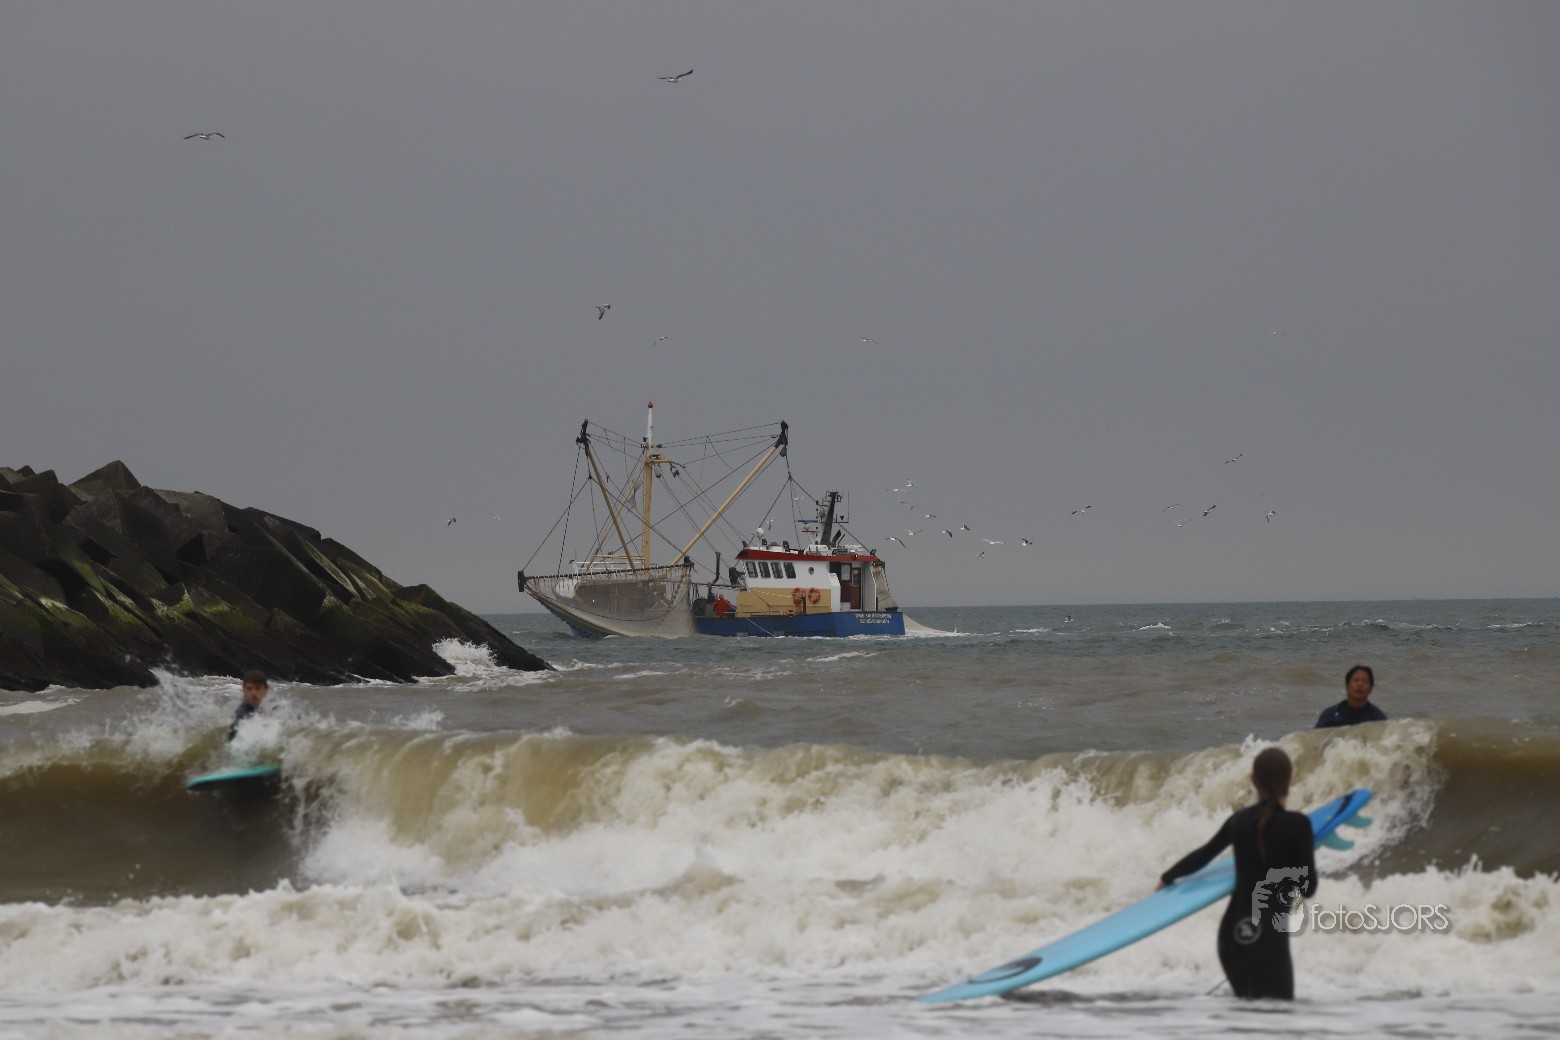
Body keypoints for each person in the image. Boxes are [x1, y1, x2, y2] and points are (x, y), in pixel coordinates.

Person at [1158, 747, 1317, 1000]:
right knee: (1277, 1017)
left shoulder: (1239, 821)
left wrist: (1166, 877)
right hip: (1267, 939)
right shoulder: (1298, 825)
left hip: (1231, 937)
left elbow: (1202, 856)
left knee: (1244, 1016)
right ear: (1289, 779)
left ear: (1252, 779)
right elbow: (1308, 888)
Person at [1315, 665, 1387, 728]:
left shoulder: (1378, 718)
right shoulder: (1331, 714)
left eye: (1365, 681)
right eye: (1356, 680)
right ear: (1347, 686)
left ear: (1370, 689)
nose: (1360, 684)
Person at [228, 669, 270, 742]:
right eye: (249, 689)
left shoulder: (271, 707)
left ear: (266, 690)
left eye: (257, 688)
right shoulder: (240, 716)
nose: (253, 693)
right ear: (244, 690)